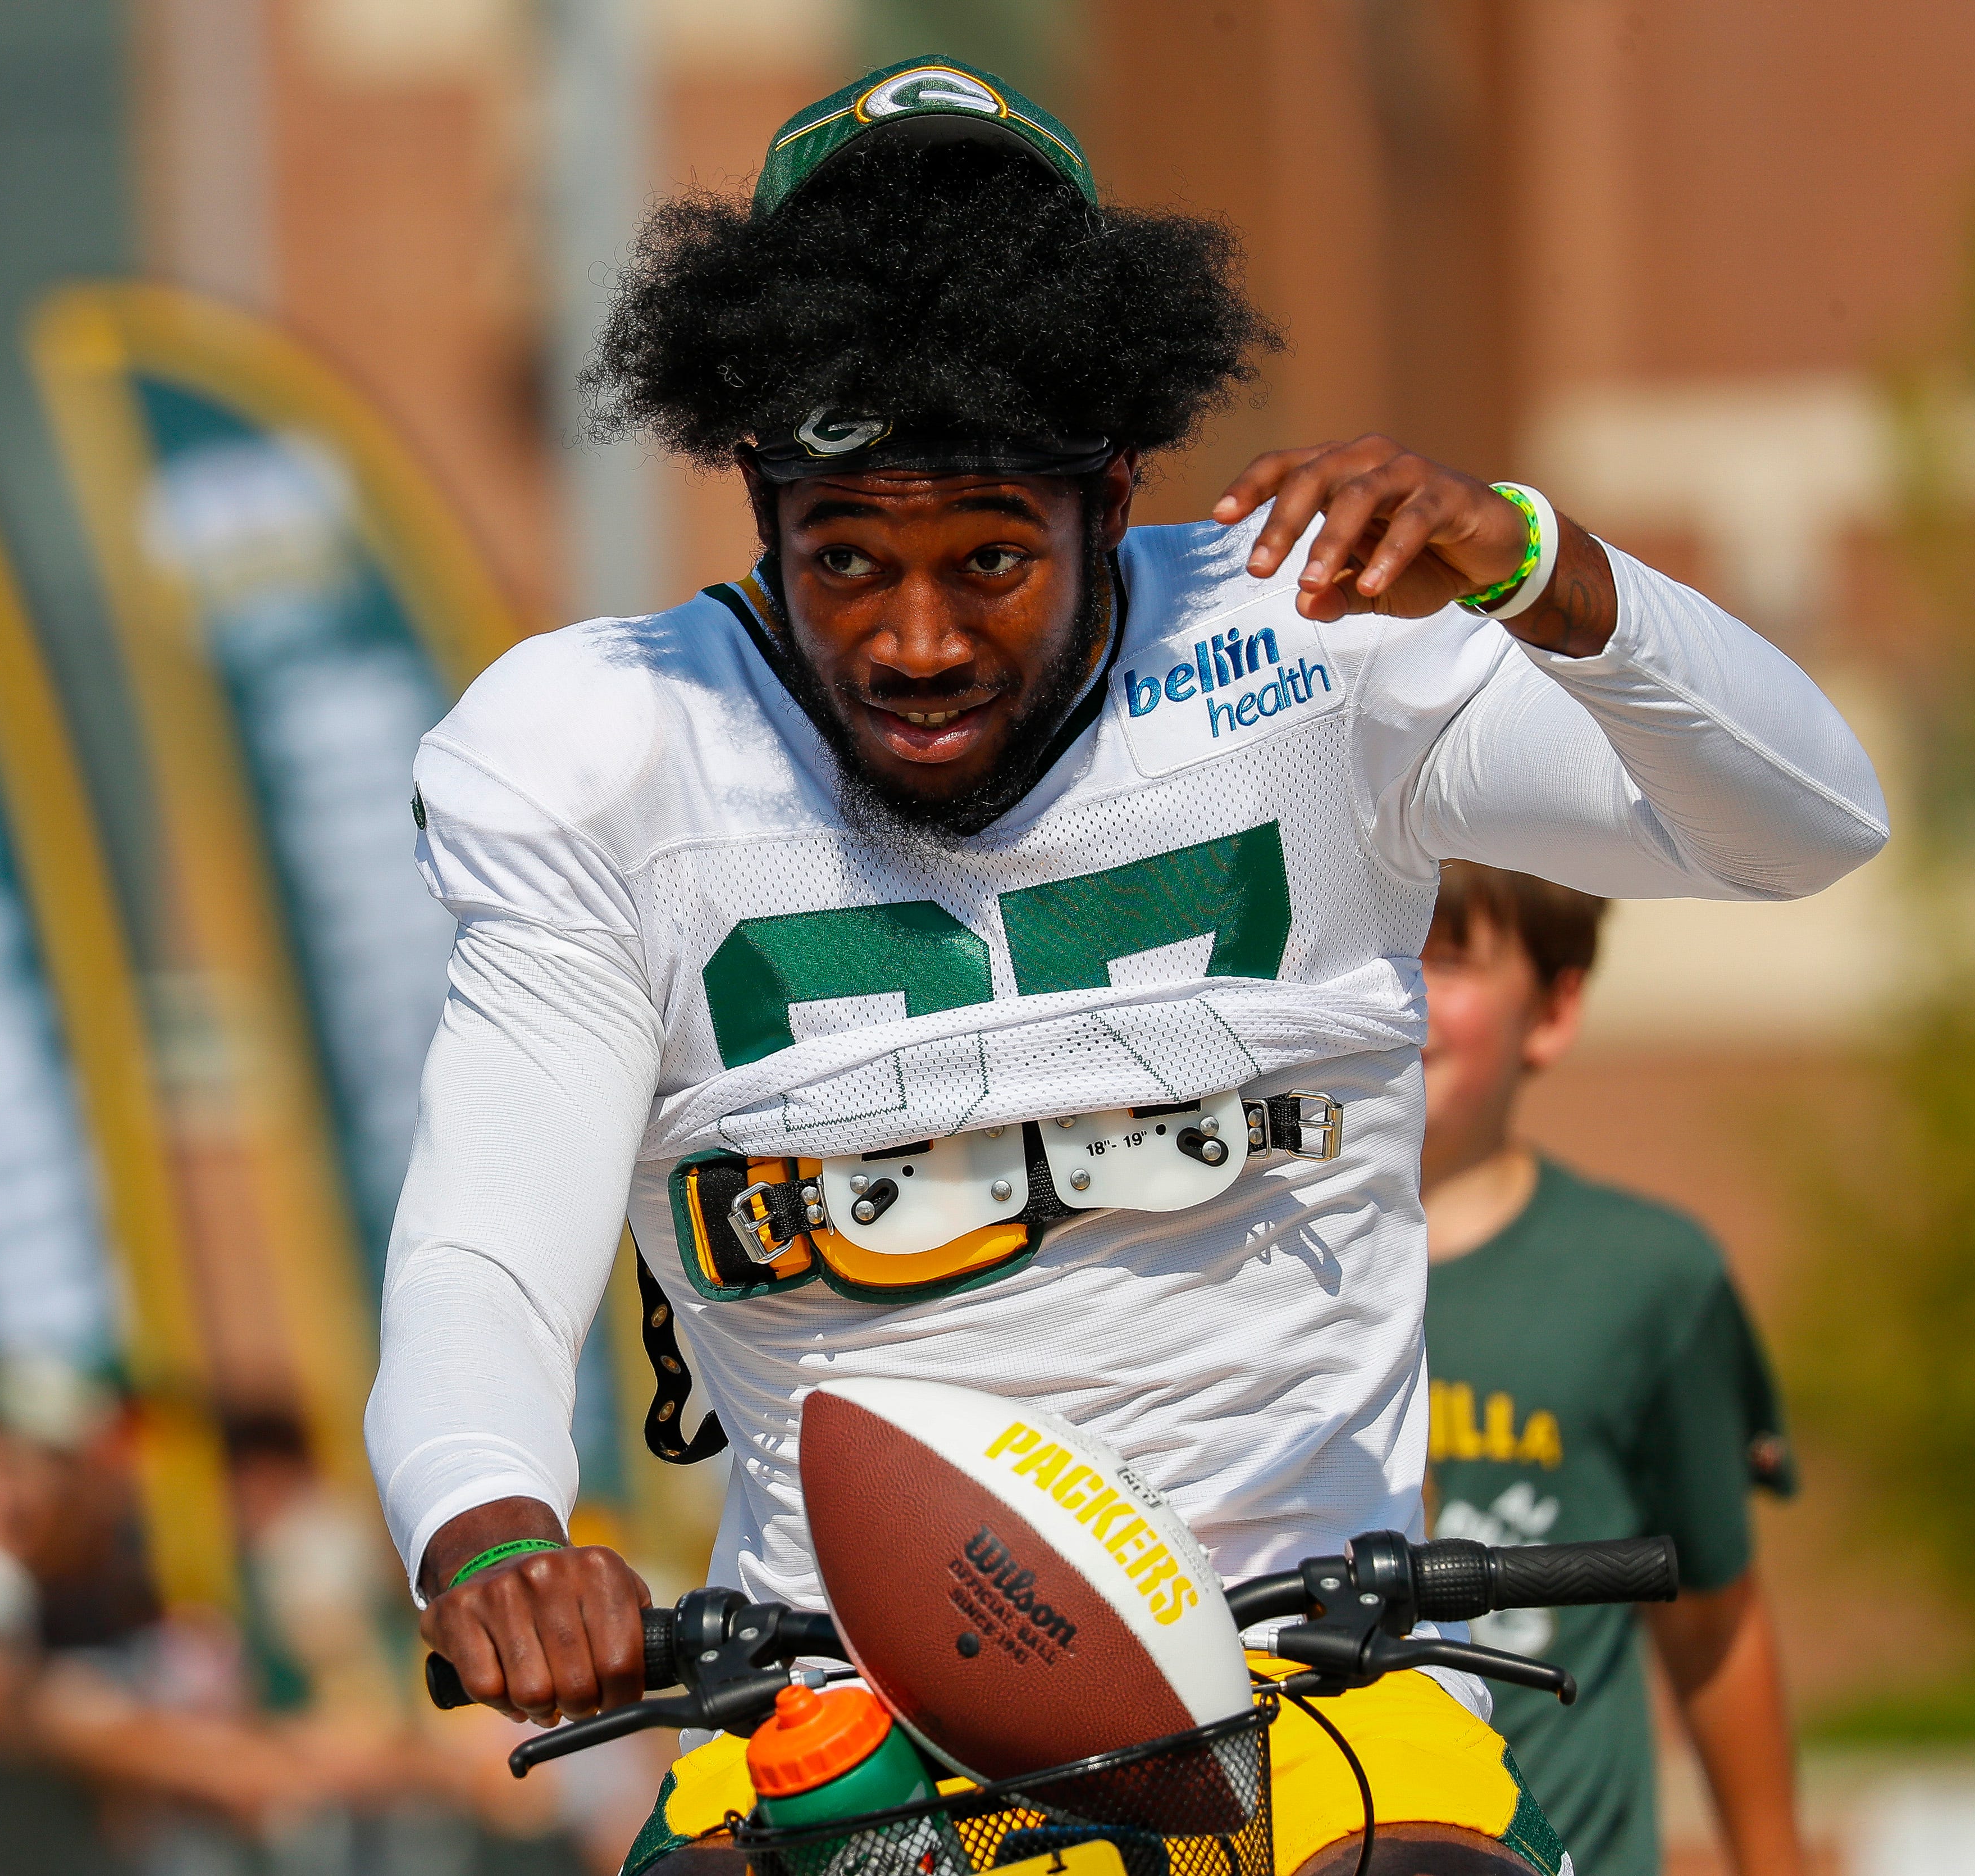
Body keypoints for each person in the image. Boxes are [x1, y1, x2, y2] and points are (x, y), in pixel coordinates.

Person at [363, 53, 1886, 1876]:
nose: (917, 641)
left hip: (1307, 1700)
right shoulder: (604, 753)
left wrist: (1544, 575)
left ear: (1114, 489)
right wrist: (486, 1523)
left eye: (992, 559)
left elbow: (1803, 823)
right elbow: (482, 1248)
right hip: (835, 1714)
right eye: (845, 564)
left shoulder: (1320, 645)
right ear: (757, 497)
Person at [1420, 863, 1803, 1876]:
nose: (1402, 991)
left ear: (1551, 1009)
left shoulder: (1644, 1280)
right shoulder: (1224, 1278)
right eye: (1377, 948)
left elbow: (1716, 1619)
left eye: (1448, 958)